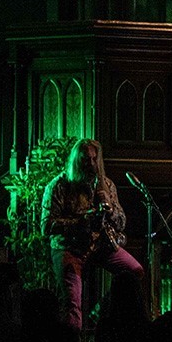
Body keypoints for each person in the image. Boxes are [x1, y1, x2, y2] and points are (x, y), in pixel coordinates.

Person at [42, 138, 143, 331]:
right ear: (76, 161)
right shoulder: (59, 185)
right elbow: (46, 226)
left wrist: (109, 208)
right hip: (69, 248)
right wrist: (81, 221)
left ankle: (102, 311)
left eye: (94, 159)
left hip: (100, 245)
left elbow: (121, 222)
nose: (91, 164)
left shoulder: (106, 185)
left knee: (135, 272)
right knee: (73, 303)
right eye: (85, 159)